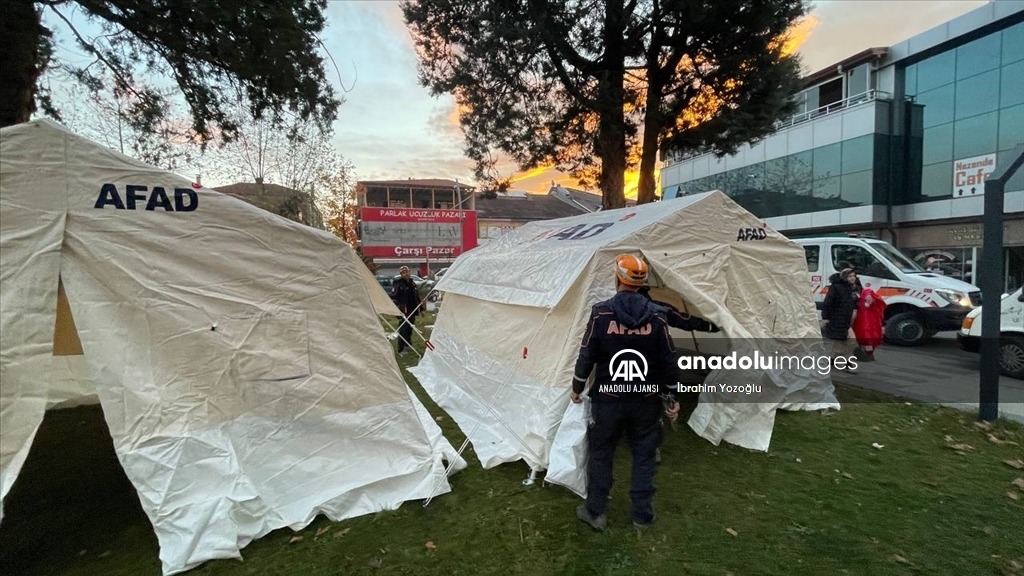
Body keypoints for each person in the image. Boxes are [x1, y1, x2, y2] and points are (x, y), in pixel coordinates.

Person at [569, 254, 680, 531]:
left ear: (618, 278)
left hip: (608, 399)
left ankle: (595, 511)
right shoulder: (658, 315)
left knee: (602, 453)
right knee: (644, 455)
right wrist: (671, 398)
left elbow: (587, 354)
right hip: (645, 400)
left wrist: (577, 387)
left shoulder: (601, 312)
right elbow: (668, 361)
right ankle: (642, 515)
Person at [821, 268, 858, 372]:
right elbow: (828, 303)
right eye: (850, 276)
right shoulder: (837, 287)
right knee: (851, 340)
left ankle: (832, 360)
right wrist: (826, 318)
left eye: (854, 276)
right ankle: (847, 363)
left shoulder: (853, 288)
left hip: (846, 319)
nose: (852, 278)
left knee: (840, 342)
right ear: (845, 277)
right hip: (838, 319)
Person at [391, 266, 421, 354]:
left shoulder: (412, 283)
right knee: (403, 328)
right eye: (404, 273)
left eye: (407, 272)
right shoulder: (398, 284)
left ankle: (408, 344)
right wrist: (397, 310)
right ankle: (401, 348)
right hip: (403, 310)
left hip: (412, 308)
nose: (406, 274)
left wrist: (420, 309)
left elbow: (416, 296)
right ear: (401, 274)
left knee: (410, 327)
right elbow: (394, 297)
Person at [853, 284, 887, 362]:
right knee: (868, 340)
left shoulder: (864, 296)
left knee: (865, 340)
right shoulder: (869, 294)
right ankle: (867, 353)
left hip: (864, 323)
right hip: (870, 325)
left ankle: (866, 353)